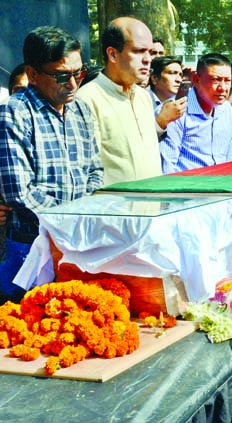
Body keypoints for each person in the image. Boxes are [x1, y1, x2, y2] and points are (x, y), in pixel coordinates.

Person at [0, 26, 103, 302]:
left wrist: (81, 217)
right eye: (62, 76)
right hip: (31, 246)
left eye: (78, 73)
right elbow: (18, 191)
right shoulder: (15, 112)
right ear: (33, 74)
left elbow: (95, 171)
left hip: (80, 242)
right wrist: (69, 218)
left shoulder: (81, 108)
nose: (73, 84)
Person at [78, 17, 162, 186]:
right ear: (113, 54)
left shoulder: (144, 96)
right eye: (138, 51)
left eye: (150, 52)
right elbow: (86, 169)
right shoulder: (87, 99)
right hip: (114, 208)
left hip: (154, 204)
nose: (147, 59)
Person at [160, 53, 232, 173]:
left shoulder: (227, 110)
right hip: (190, 188)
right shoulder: (177, 112)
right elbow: (168, 166)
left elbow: (230, 157)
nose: (223, 88)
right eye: (216, 80)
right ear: (196, 80)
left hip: (222, 185)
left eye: (227, 81)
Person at [149, 55, 187, 130]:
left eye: (180, 75)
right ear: (154, 78)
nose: (179, 80)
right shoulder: (139, 101)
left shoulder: (180, 106)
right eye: (172, 73)